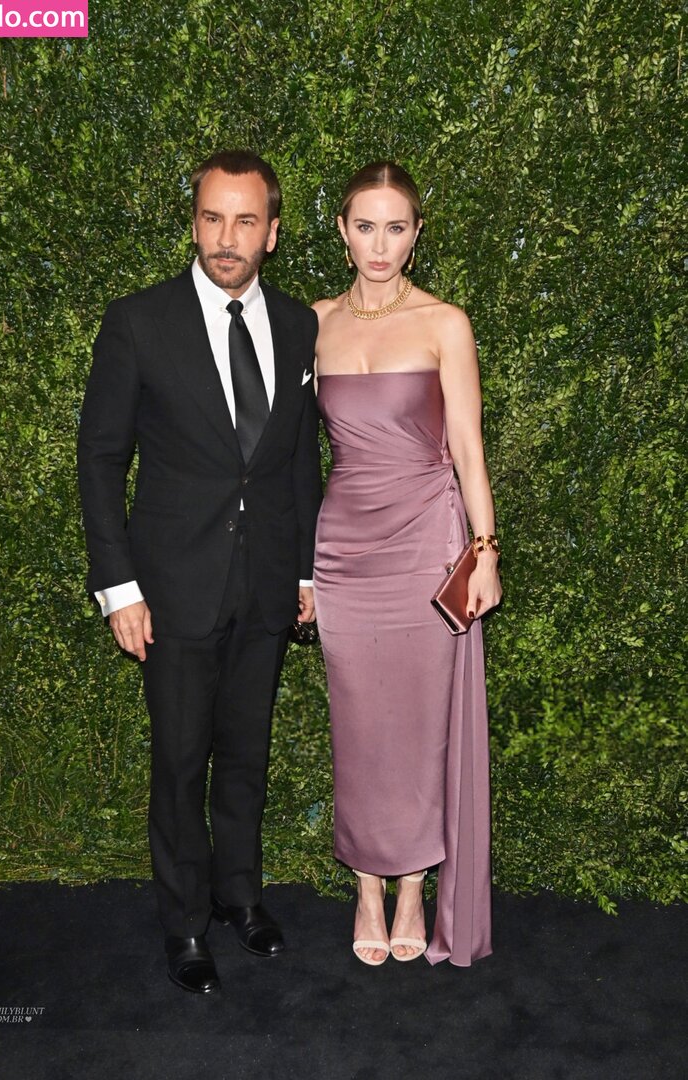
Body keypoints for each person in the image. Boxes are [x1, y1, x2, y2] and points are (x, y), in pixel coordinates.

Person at [77, 150, 322, 995]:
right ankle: (184, 922)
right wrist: (119, 586)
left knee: (247, 753)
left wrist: (304, 572)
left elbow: (298, 460)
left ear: (272, 232)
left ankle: (239, 896)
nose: (226, 237)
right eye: (213, 217)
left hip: (266, 584)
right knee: (181, 761)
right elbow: (100, 458)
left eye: (245, 220)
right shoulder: (139, 321)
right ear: (194, 222)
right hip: (172, 587)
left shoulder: (297, 325)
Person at [312, 162, 501, 968]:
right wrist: (297, 572)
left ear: (417, 234)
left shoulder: (444, 323)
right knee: (358, 722)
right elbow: (283, 456)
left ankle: (415, 886)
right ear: (342, 230)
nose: (379, 244)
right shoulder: (311, 323)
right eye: (365, 226)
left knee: (422, 723)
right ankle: (366, 886)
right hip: (342, 550)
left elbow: (468, 449)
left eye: (396, 228)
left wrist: (484, 551)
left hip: (427, 542)